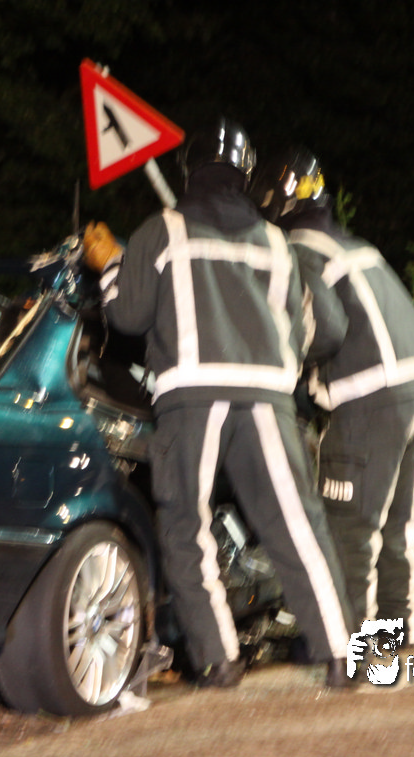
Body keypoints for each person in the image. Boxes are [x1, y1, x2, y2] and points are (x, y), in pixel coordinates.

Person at [83, 118, 355, 688]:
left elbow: (127, 316)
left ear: (189, 171)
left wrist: (110, 265)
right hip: (268, 399)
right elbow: (303, 327)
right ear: (246, 175)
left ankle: (219, 658)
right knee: (297, 524)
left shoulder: (162, 230)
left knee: (187, 526)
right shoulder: (277, 241)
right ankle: (339, 653)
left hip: (192, 398)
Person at [253, 146, 414, 647]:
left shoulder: (299, 253)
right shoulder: (357, 247)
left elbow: (325, 327)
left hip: (369, 403)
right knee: (398, 523)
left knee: (351, 529)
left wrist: (292, 366)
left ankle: (349, 642)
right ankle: (398, 630)